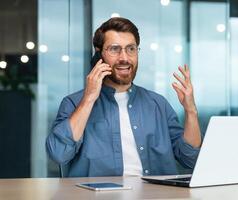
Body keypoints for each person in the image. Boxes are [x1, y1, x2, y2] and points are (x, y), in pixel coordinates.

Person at [46, 17, 202, 177]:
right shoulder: (74, 103)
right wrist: (89, 99)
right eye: (114, 49)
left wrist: (191, 111)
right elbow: (59, 154)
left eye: (131, 49)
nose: (124, 58)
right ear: (99, 54)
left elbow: (190, 159)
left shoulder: (158, 104)